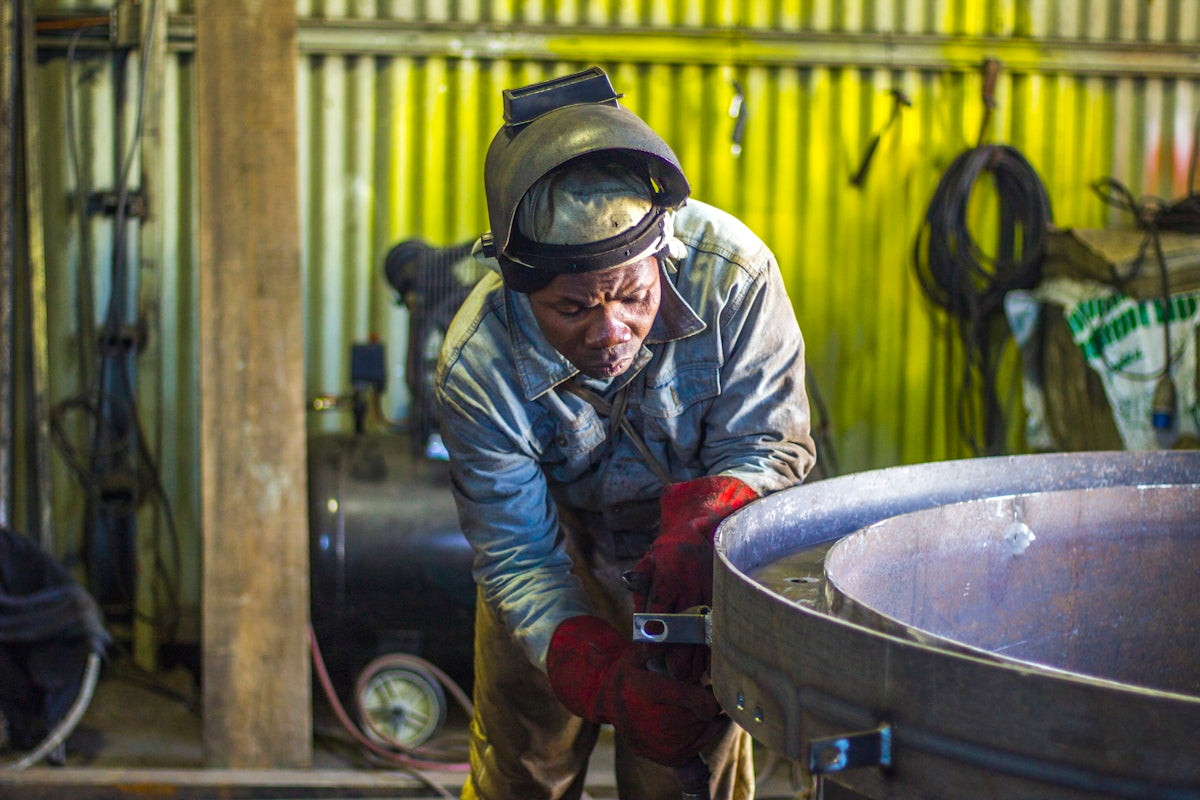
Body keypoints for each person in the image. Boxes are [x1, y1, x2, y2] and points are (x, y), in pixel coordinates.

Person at [434, 67, 816, 800]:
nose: (611, 332)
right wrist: (592, 669)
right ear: (519, 289)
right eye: (572, 308)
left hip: (695, 565)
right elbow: (517, 552)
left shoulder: (735, 278)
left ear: (663, 253)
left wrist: (712, 525)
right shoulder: (477, 364)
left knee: (684, 777)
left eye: (634, 297)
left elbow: (770, 446)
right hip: (558, 554)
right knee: (521, 775)